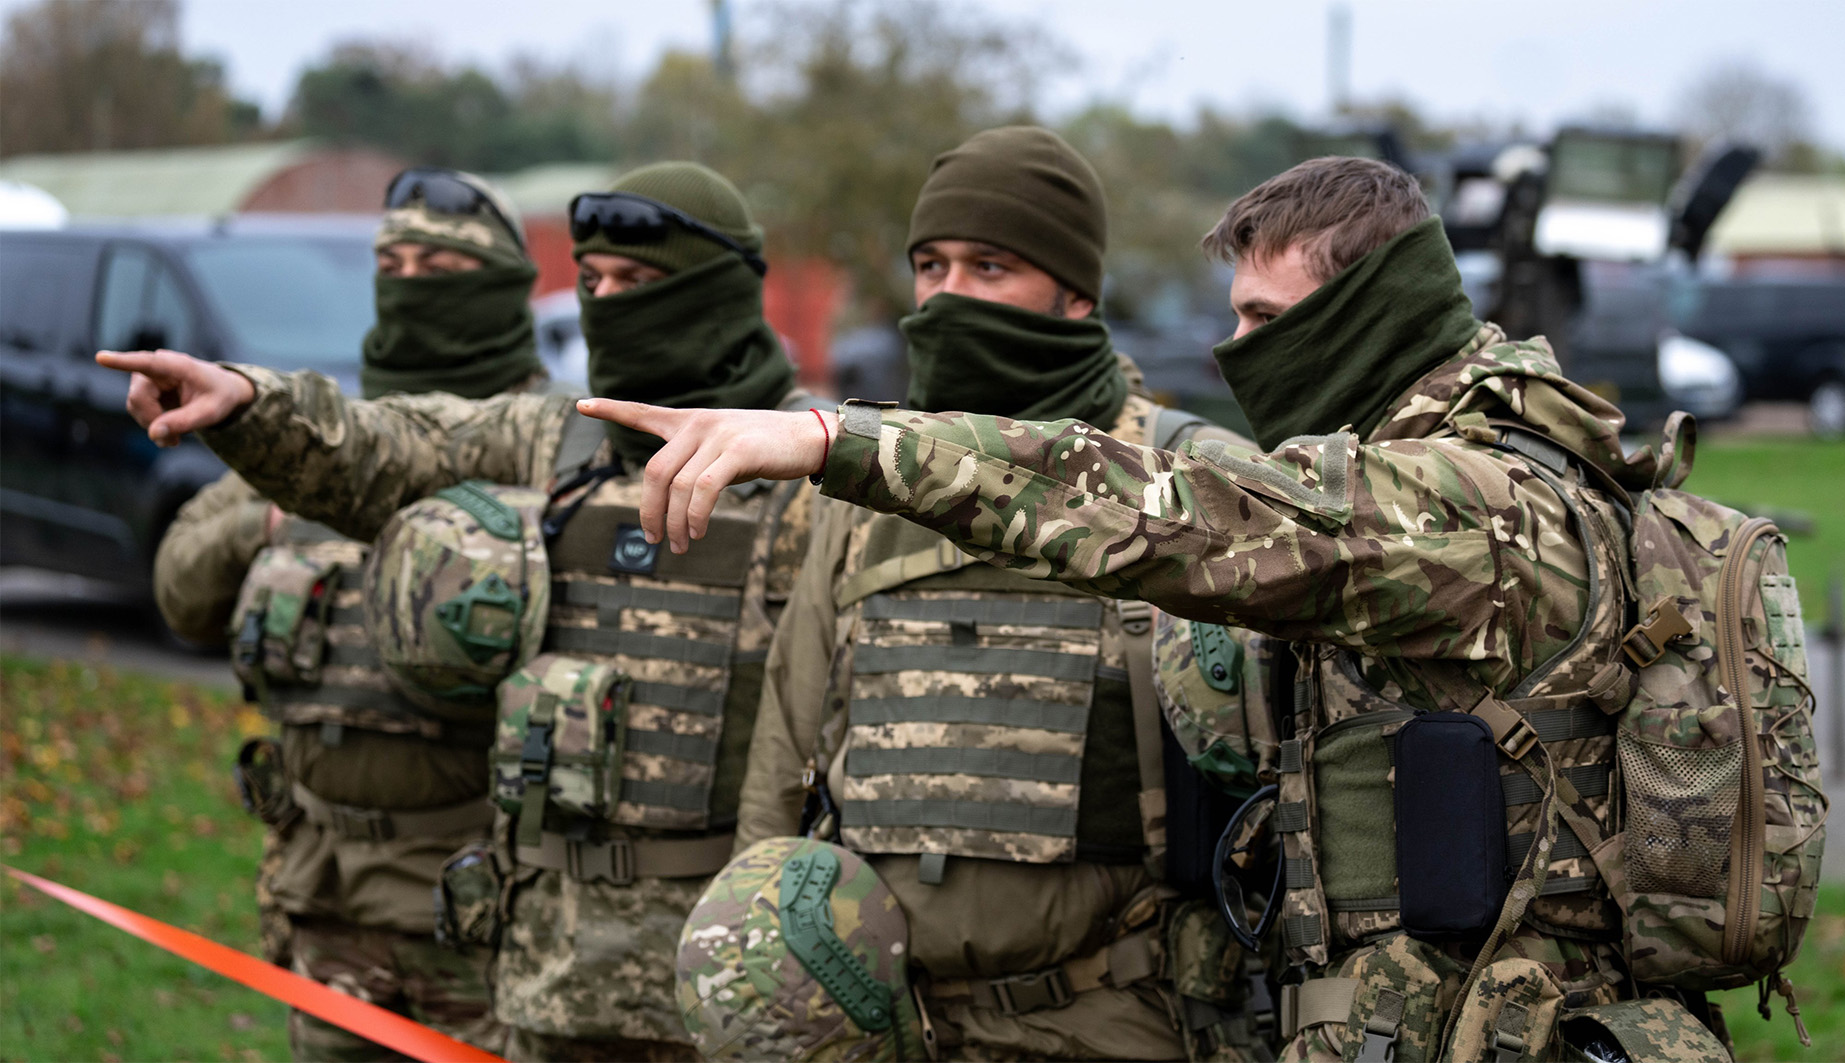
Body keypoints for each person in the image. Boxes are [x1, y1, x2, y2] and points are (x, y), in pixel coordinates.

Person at [570, 157, 1728, 1059]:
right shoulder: (1445, 472)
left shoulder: (1472, 504)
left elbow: (1184, 510)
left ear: (1373, 310)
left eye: (1266, 320)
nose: (1235, 354)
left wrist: (839, 435)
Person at [101, 161, 821, 1062]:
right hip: (547, 975)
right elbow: (393, 442)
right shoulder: (550, 440)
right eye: (592, 282)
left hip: (722, 980)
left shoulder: (809, 474)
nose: (609, 304)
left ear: (716, 290)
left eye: (639, 282)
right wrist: (250, 404)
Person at [693, 126, 1256, 1063]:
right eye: (931, 265)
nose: (949, 296)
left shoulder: (1184, 476)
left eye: (990, 267)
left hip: (1117, 1017)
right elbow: (782, 765)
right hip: (890, 1026)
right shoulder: (862, 485)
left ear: (1075, 292)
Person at [154, 166, 542, 1061]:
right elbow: (181, 591)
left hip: (479, 910)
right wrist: (275, 514)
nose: (408, 283)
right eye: (392, 262)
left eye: (439, 266)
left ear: (497, 288)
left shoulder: (543, 438)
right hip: (322, 897)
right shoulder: (319, 440)